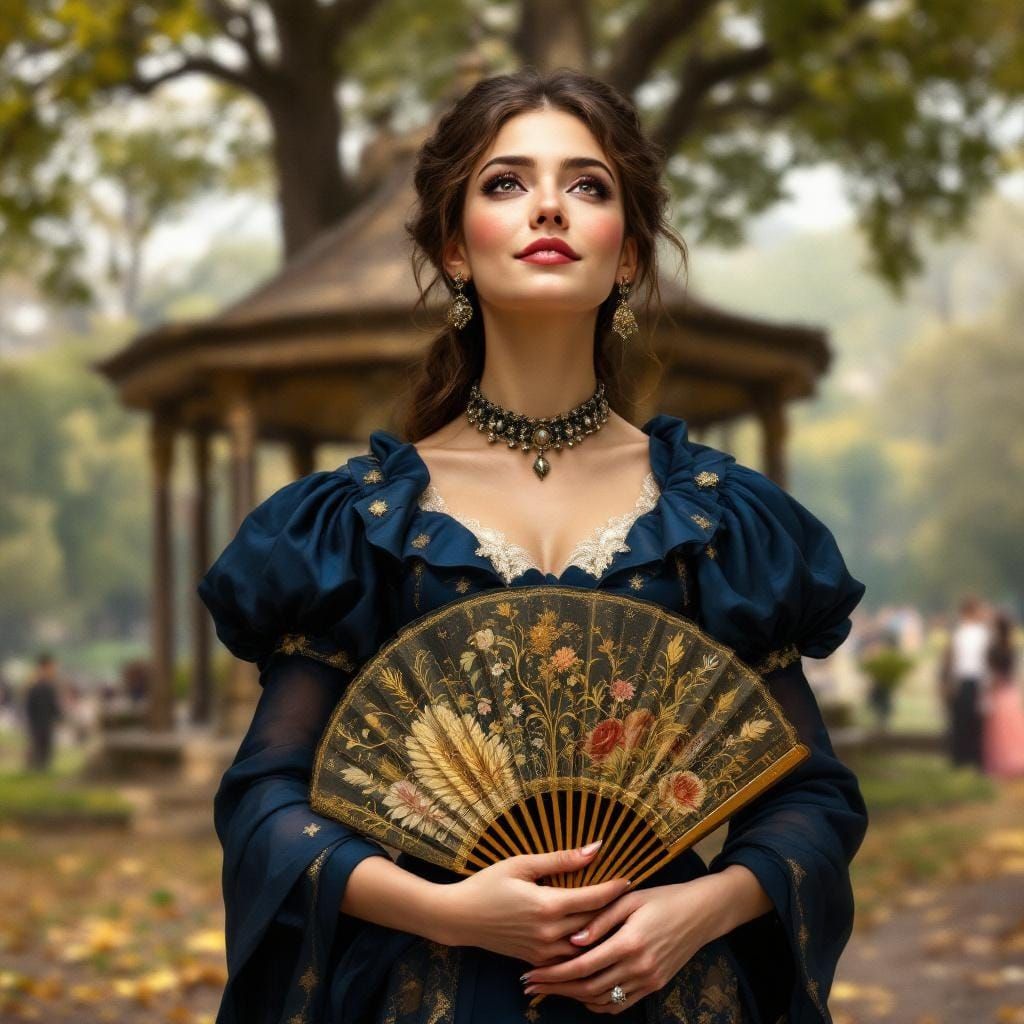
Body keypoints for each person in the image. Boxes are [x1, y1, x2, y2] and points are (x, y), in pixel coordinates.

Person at [198, 68, 868, 1024]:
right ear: (454, 248)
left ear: (627, 255)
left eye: (587, 185)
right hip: (429, 990)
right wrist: (447, 910)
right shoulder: (359, 525)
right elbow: (268, 802)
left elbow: (811, 798)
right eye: (506, 182)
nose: (549, 206)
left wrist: (699, 909)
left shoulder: (720, 521)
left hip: (665, 991)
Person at [940, 595, 992, 769]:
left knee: (963, 721)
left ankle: (962, 758)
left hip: (966, 681)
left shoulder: (960, 633)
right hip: (971, 681)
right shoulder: (979, 634)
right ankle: (972, 759)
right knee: (972, 722)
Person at [981, 611, 1024, 780]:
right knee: (1011, 727)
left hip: (998, 690)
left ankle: (1002, 761)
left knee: (998, 729)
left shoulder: (993, 648)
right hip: (1009, 691)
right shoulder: (1011, 647)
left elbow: (991, 671)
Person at [24, 652, 63, 772]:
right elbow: (30, 703)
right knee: (39, 744)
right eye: (52, 666)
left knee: (44, 745)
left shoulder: (46, 682)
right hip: (38, 719)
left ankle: (41, 768)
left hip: (45, 719)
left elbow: (53, 703)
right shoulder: (36, 682)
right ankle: (37, 767)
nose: (54, 669)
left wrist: (58, 715)